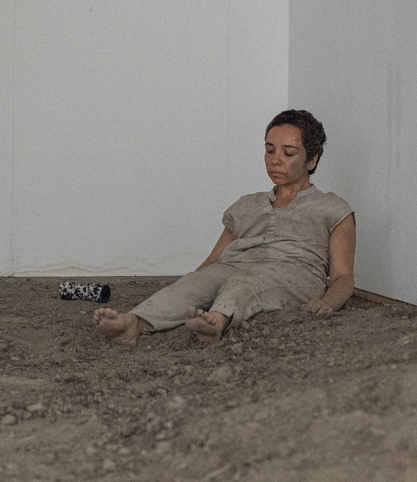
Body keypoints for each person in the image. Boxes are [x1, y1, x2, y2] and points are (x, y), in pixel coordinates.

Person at [93, 109, 356, 345]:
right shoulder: (246, 205)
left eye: (288, 153)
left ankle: (217, 321)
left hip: (294, 275)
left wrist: (328, 302)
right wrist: (194, 284)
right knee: (199, 282)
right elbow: (213, 261)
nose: (275, 160)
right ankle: (134, 323)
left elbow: (343, 276)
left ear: (312, 160)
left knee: (246, 281)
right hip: (235, 267)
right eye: (269, 150)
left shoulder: (332, 208)